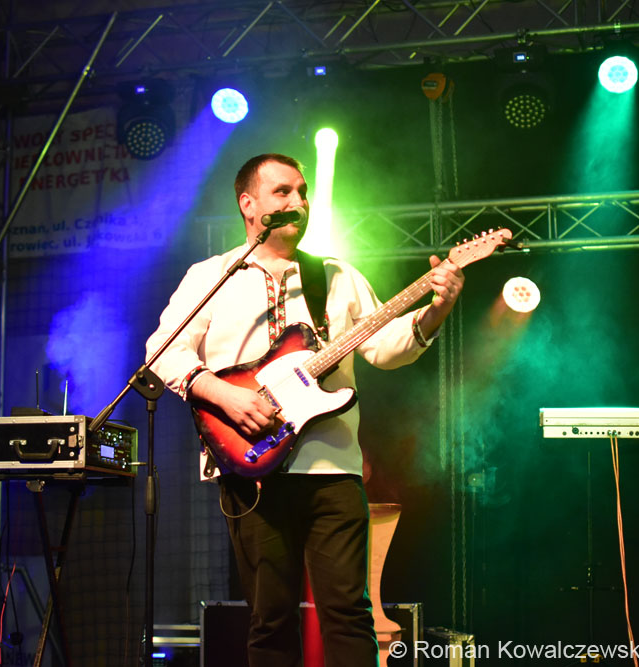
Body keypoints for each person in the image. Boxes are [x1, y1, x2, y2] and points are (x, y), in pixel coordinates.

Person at [146, 153, 465, 667]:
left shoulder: (336, 275)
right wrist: (227, 395)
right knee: (269, 618)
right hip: (249, 466)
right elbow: (163, 352)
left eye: (303, 192)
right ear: (248, 204)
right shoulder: (211, 276)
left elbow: (386, 348)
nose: (299, 202)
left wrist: (438, 308)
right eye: (282, 192)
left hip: (332, 469)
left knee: (349, 613)